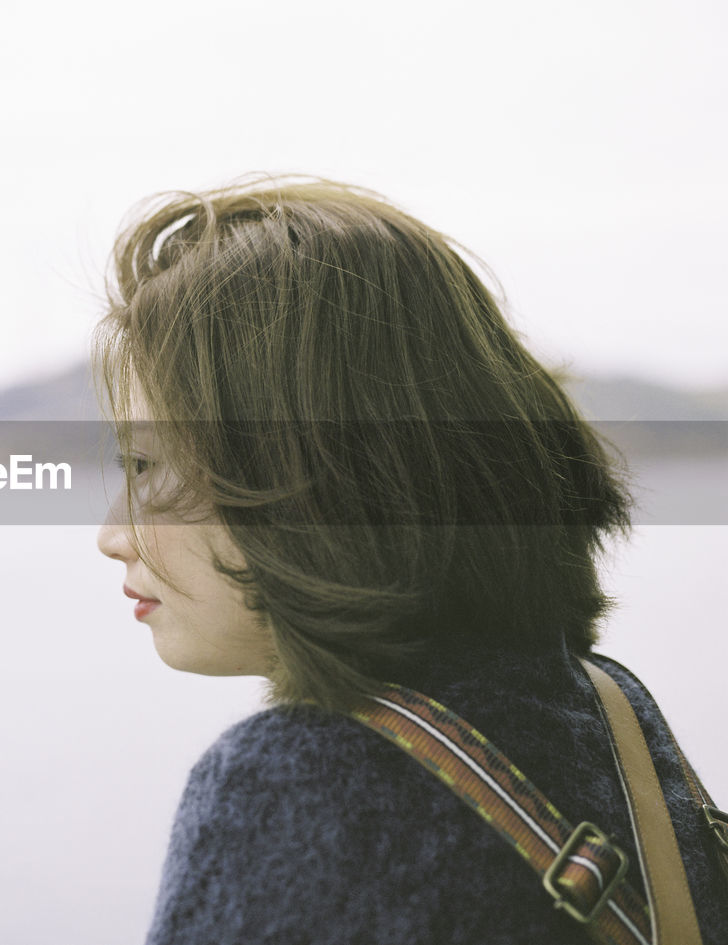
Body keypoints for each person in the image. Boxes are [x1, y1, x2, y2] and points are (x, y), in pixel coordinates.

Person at [93, 177, 727, 944]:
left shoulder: (299, 786)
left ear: (306, 480)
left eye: (143, 467)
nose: (113, 532)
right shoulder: (610, 706)